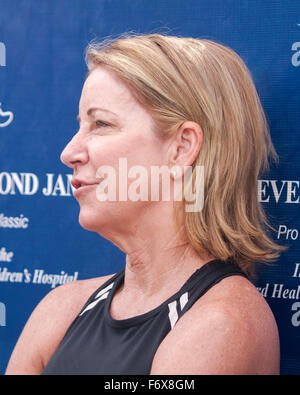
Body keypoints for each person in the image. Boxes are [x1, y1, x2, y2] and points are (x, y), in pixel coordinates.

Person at [6, 33, 283, 375]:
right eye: (81, 125)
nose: (69, 153)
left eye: (101, 124)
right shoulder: (62, 308)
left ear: (182, 147)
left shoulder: (222, 324)